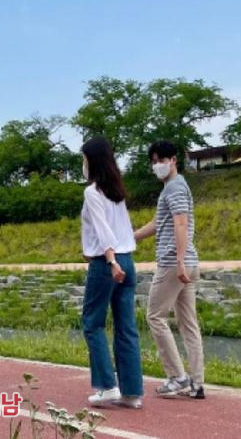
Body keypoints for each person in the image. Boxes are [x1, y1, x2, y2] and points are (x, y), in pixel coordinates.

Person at [134, 140, 205, 399]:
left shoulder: (174, 187)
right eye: (153, 162)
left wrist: (179, 260)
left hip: (173, 263)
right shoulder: (173, 187)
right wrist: (132, 238)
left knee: (155, 316)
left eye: (161, 160)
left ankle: (177, 377)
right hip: (187, 262)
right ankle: (196, 383)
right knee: (188, 324)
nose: (157, 166)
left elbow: (181, 223)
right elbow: (158, 222)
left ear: (173, 160)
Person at [80, 137, 143, 409]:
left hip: (108, 263)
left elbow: (103, 229)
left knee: (92, 323)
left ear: (92, 161)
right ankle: (132, 392)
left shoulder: (92, 192)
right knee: (126, 327)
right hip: (127, 260)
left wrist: (110, 260)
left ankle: (107, 386)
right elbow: (121, 229)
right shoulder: (117, 191)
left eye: (84, 159)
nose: (83, 164)